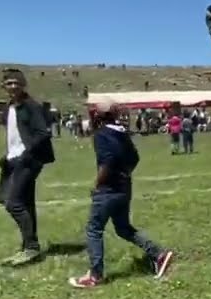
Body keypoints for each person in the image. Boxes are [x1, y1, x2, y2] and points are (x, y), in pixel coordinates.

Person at [69, 99, 173, 288]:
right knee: (123, 228)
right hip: (124, 187)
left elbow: (107, 162)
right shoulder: (123, 133)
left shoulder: (102, 134)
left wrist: (98, 184)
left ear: (98, 115)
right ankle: (158, 254)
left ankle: (95, 275)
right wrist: (124, 173)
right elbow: (135, 158)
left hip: (108, 189)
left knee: (94, 230)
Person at [0, 68, 56, 267]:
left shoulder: (31, 106)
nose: (13, 86)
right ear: (3, 86)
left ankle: (31, 247)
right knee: (26, 203)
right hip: (13, 159)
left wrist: (26, 153)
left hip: (28, 160)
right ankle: (29, 247)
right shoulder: (10, 107)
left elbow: (43, 133)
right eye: (9, 83)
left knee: (14, 203)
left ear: (23, 85)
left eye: (16, 83)